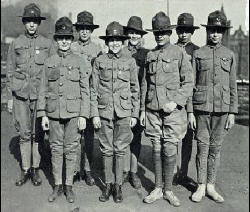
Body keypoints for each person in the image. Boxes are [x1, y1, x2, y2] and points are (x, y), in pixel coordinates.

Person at [140, 12, 193, 207]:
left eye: (163, 32)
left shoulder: (180, 54)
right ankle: (157, 188)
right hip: (153, 109)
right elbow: (145, 84)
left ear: (169, 33)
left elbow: (189, 82)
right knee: (156, 146)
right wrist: (142, 110)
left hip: (173, 112)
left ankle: (168, 190)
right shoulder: (150, 55)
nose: (160, 36)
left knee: (170, 148)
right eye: (156, 32)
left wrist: (176, 101)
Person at [37, 17, 90, 203]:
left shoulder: (80, 61)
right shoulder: (48, 61)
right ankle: (57, 185)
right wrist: (42, 113)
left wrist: (84, 114)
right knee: (56, 149)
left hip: (74, 113)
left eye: (68, 38)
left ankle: (69, 186)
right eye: (61, 38)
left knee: (71, 149)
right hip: (53, 113)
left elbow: (86, 89)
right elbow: (42, 89)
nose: (65, 41)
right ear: (56, 40)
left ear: (72, 39)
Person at [189, 10, 238, 203]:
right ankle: (200, 185)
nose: (215, 34)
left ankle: (211, 185)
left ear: (223, 33)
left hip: (223, 110)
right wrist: (190, 112)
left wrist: (232, 112)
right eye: (211, 30)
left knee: (215, 149)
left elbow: (233, 85)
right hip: (201, 109)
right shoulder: (198, 53)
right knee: (202, 148)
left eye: (218, 31)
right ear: (207, 31)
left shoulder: (230, 54)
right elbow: (191, 85)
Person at [90, 21, 140, 203]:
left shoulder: (130, 61)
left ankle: (118, 186)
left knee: (120, 150)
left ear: (122, 41)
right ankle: (108, 185)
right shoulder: (99, 61)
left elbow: (135, 89)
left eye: (118, 39)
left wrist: (134, 114)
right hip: (104, 112)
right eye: (111, 40)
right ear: (107, 42)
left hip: (124, 112)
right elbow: (92, 90)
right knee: (106, 149)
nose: (115, 43)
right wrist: (94, 114)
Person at [6, 3, 53, 187]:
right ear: (24, 23)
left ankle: (35, 169)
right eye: (28, 21)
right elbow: (10, 70)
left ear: (38, 23)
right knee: (24, 133)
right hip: (20, 96)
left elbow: (52, 71)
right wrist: (10, 97)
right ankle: (25, 169)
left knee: (38, 134)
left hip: (39, 96)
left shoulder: (47, 44)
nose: (32, 25)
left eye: (34, 21)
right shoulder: (16, 43)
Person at [72, 10, 102, 186]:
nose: (84, 32)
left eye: (87, 28)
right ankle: (76, 170)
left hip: (90, 96)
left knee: (89, 136)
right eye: (81, 28)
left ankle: (88, 170)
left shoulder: (97, 49)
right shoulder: (72, 47)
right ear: (77, 30)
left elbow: (97, 76)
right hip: (74, 96)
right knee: (75, 135)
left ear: (91, 31)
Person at [122, 16, 149, 189]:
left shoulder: (146, 55)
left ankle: (133, 172)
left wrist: (142, 108)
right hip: (122, 101)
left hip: (138, 101)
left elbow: (147, 82)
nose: (133, 37)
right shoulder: (120, 52)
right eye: (131, 33)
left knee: (136, 138)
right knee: (123, 136)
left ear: (141, 36)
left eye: (136, 34)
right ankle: (124, 171)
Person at [174, 12, 200, 185]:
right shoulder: (172, 49)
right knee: (172, 138)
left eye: (187, 30)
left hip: (191, 99)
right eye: (181, 30)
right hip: (175, 100)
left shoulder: (197, 51)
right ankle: (172, 172)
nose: (183, 34)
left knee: (188, 140)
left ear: (192, 32)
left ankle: (183, 172)